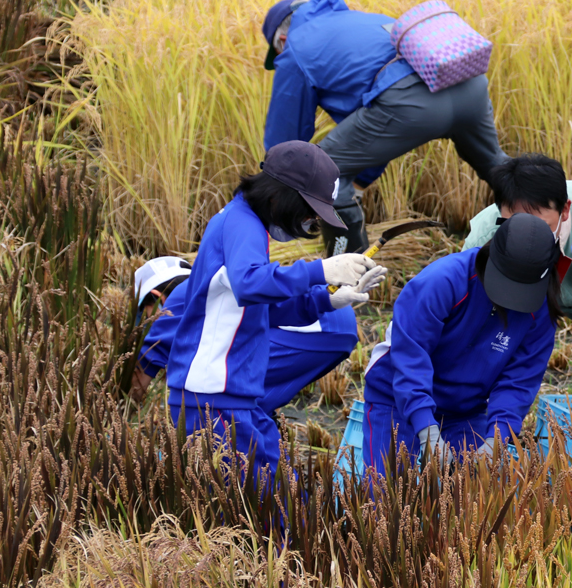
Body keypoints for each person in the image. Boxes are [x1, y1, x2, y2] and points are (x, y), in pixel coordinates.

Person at [166, 141, 386, 484]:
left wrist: (328, 301)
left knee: (278, 503)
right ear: (282, 196)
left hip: (232, 396)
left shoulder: (242, 222)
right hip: (215, 397)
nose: (311, 220)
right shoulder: (242, 224)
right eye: (310, 210)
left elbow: (262, 309)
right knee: (270, 515)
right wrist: (320, 271)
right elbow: (250, 284)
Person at [261, 0, 509, 256]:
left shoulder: (296, 48)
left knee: (324, 171)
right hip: (470, 86)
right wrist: (358, 183)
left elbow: (286, 146)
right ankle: (545, 225)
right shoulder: (361, 21)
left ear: (282, 41)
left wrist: (273, 199)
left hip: (411, 103)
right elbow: (374, 130)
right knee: (497, 166)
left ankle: (347, 278)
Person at [361, 213, 560, 473]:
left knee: (478, 500)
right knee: (387, 498)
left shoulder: (540, 308)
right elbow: (410, 358)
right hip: (396, 399)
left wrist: (496, 440)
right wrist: (426, 428)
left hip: (464, 411)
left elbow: (519, 380)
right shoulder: (442, 281)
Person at [135, 273, 360, 413]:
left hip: (316, 324)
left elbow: (145, 365)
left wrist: (118, 413)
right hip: (337, 321)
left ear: (156, 296)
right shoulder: (213, 282)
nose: (147, 324)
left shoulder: (179, 297)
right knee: (253, 405)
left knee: (218, 392)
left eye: (144, 315)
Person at [463, 154, 572, 345]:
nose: (530, 237)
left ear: (564, 210)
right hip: (520, 297)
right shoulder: (483, 238)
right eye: (514, 225)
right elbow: (470, 308)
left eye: (541, 226)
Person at [130, 256, 192, 402]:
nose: (147, 328)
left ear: (158, 298)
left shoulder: (180, 300)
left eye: (146, 319)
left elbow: (133, 390)